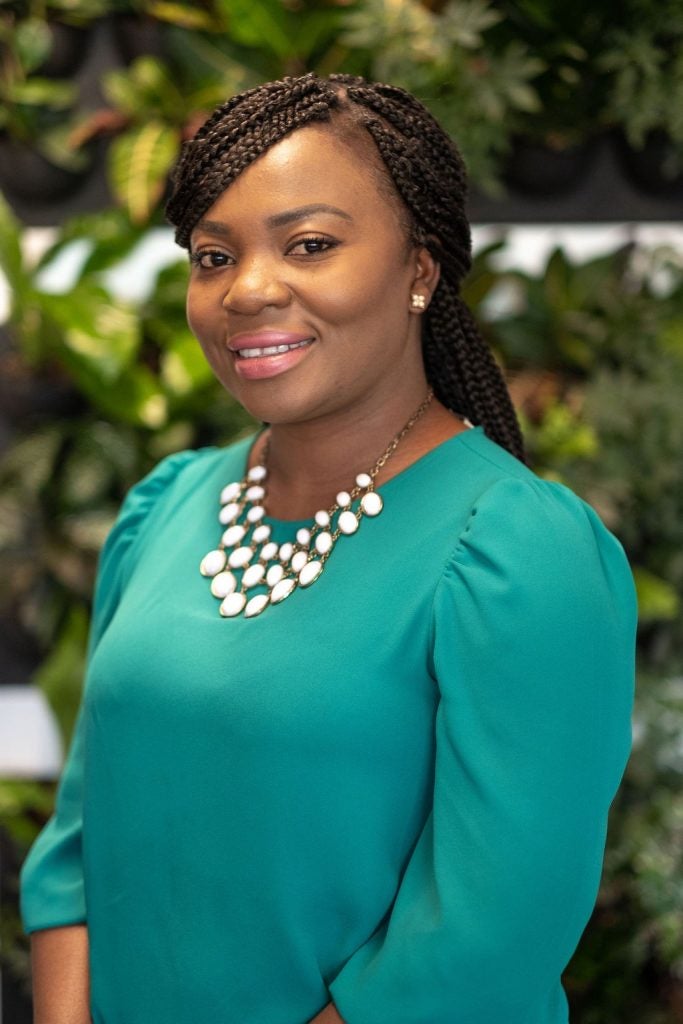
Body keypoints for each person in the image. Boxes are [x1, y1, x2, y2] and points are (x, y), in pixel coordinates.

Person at [20, 73, 637, 1024]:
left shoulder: (518, 551)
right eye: (214, 256)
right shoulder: (163, 509)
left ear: (419, 269)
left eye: (309, 244)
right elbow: (77, 847)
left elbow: (481, 942)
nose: (248, 289)